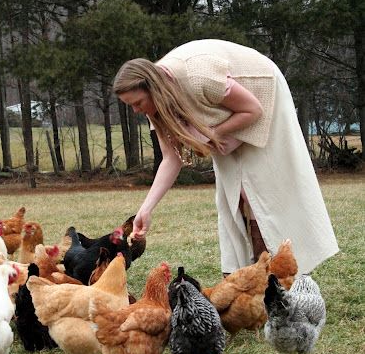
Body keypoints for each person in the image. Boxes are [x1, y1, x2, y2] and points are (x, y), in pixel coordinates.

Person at [113, 39, 339, 275]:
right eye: (131, 106)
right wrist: (146, 209)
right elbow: (171, 159)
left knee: (259, 190)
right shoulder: (156, 104)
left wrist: (210, 134)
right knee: (232, 194)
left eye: (138, 103)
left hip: (262, 93)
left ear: (153, 88)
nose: (136, 111)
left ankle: (279, 273)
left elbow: (253, 109)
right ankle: (245, 274)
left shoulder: (199, 77)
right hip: (224, 113)